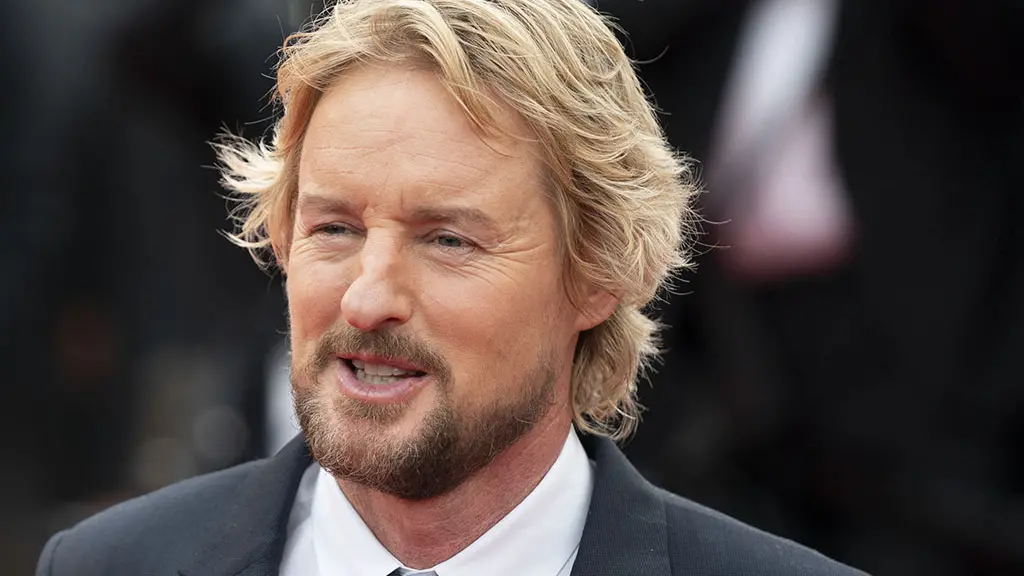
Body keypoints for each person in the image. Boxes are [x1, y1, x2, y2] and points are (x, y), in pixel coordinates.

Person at [36, 1, 867, 574]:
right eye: (335, 229)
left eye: (447, 240)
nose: (368, 299)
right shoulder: (107, 566)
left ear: (599, 273)